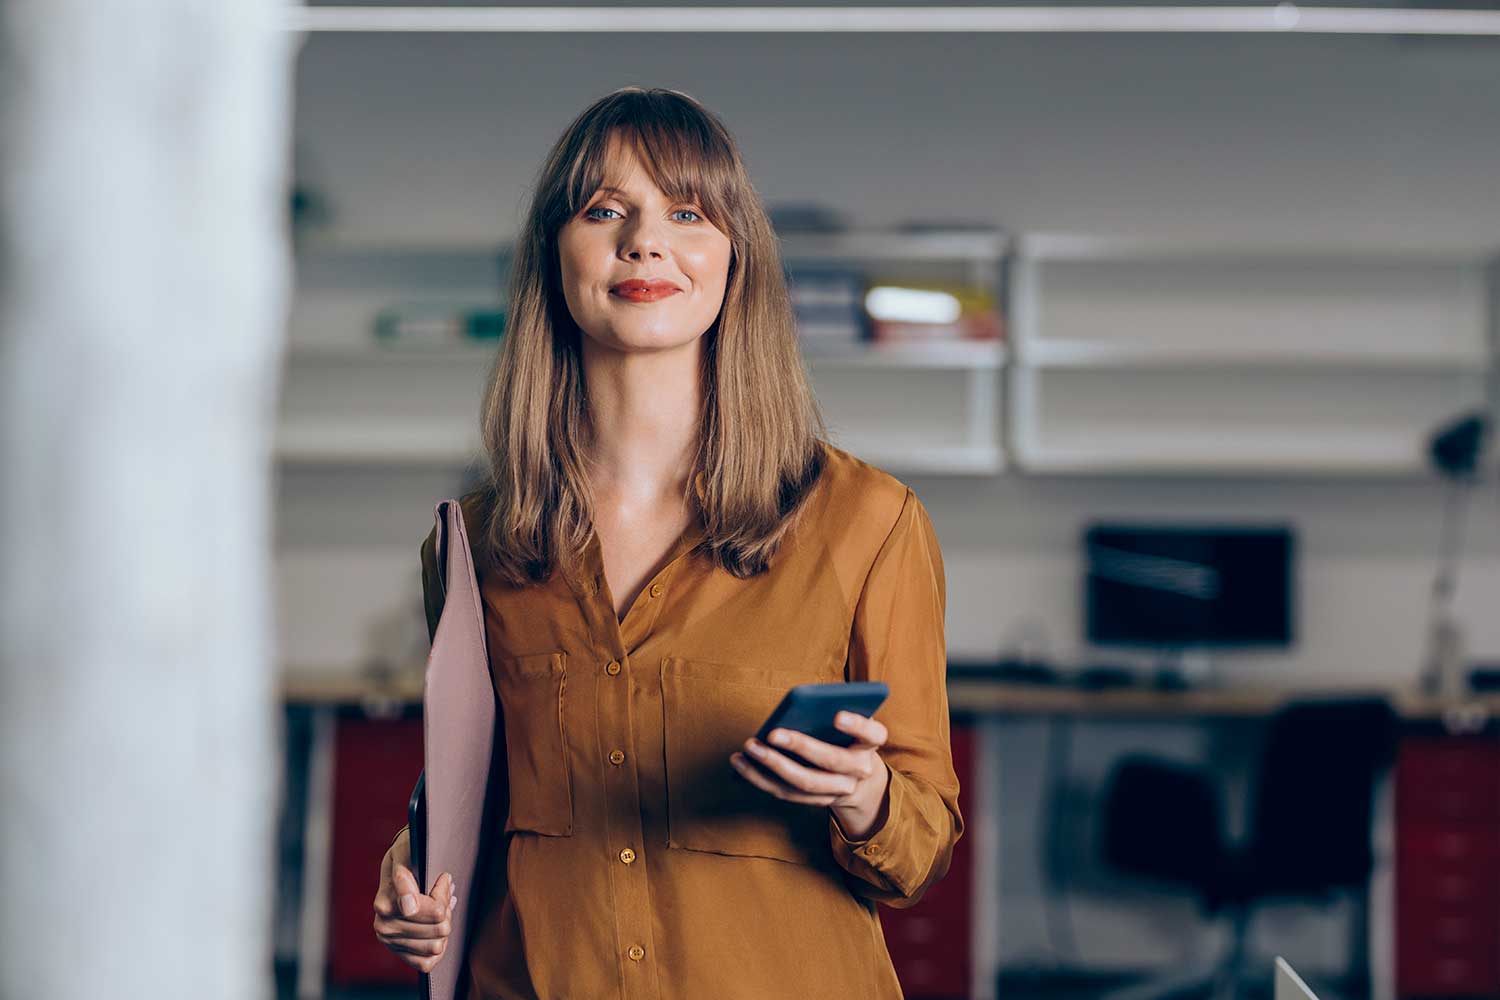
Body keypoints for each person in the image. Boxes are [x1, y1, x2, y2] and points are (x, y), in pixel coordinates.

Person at [372, 85, 963, 999]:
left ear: (735, 261)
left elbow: (920, 848)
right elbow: (480, 796)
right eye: (604, 209)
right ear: (554, 259)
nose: (643, 240)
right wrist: (413, 867)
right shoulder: (476, 544)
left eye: (685, 211)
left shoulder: (866, 522)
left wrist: (863, 795)